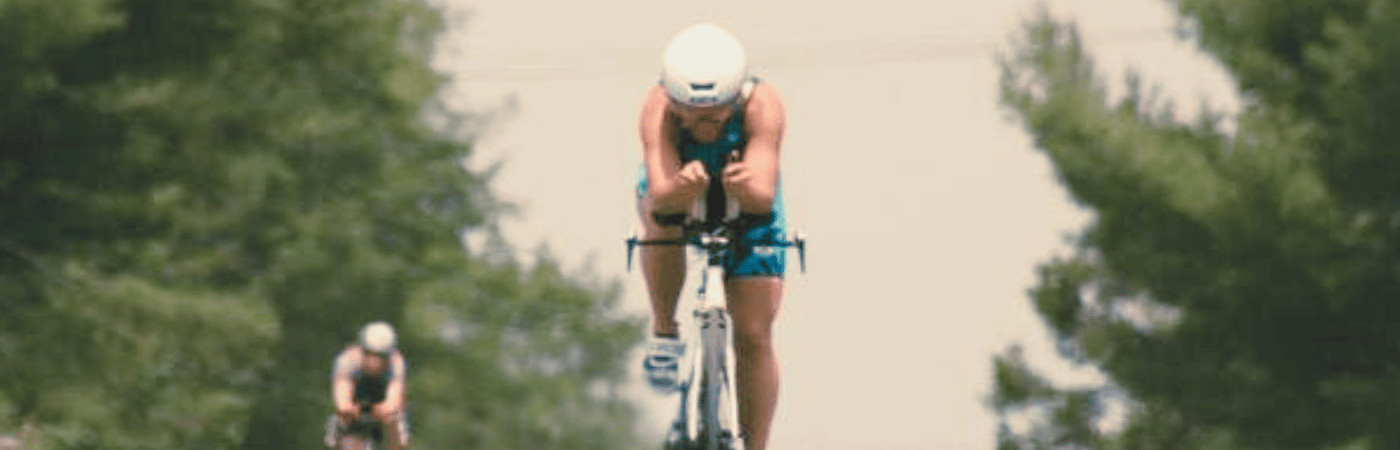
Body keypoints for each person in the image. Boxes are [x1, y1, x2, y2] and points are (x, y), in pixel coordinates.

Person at [634, 22, 789, 450]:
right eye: (693, 114)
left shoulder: (763, 104)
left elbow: (762, 196)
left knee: (755, 335)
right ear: (673, 100)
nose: (705, 125)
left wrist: (745, 187)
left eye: (717, 113)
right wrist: (681, 189)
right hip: (679, 191)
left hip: (746, 198)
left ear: (736, 97)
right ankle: (664, 330)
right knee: (661, 220)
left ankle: (756, 444)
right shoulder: (656, 108)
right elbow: (662, 194)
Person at [323, 321, 411, 450]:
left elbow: (394, 402)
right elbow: (342, 402)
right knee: (344, 423)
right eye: (369, 354)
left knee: (394, 423)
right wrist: (349, 410)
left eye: (381, 356)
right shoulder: (346, 360)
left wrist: (384, 411)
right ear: (361, 350)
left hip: (382, 401)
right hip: (356, 399)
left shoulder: (396, 362)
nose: (374, 362)